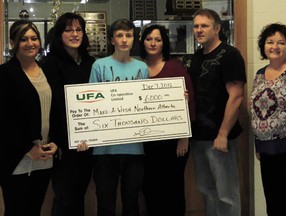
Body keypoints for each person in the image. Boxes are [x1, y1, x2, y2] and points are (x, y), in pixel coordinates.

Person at [187, 8, 246, 216]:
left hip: (220, 139)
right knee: (207, 190)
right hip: (199, 137)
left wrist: (222, 134)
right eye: (196, 26)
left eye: (204, 26)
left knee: (226, 194)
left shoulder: (230, 55)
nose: (199, 30)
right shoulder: (196, 57)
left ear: (218, 28)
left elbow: (236, 96)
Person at [89, 18, 149, 216]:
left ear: (134, 39)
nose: (124, 40)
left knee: (131, 203)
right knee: (105, 203)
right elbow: (90, 105)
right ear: (112, 40)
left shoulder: (142, 68)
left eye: (129, 35)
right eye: (120, 35)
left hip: (134, 147)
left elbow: (147, 103)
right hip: (104, 149)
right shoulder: (99, 66)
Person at [0, 20, 58, 216]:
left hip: (44, 155)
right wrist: (28, 148)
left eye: (34, 38)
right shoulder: (4, 74)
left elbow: (54, 110)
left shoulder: (47, 71)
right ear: (12, 42)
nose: (30, 43)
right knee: (16, 210)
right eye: (23, 39)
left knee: (34, 209)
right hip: (17, 158)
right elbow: (4, 121)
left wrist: (55, 142)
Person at [41, 12, 95, 216]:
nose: (74, 34)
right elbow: (50, 108)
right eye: (68, 30)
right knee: (64, 197)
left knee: (79, 195)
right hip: (62, 146)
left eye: (78, 29)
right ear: (59, 34)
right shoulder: (50, 64)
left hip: (88, 143)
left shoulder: (92, 63)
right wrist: (57, 141)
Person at [139, 24, 195, 216]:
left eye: (158, 39)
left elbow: (189, 103)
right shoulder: (137, 68)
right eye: (149, 39)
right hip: (146, 141)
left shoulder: (174, 67)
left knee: (173, 186)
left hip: (173, 142)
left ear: (164, 43)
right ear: (142, 41)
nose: (153, 43)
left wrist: (184, 138)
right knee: (149, 186)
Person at [250, 23, 286, 215]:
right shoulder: (259, 75)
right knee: (273, 201)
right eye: (270, 42)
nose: (275, 46)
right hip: (265, 149)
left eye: (281, 42)